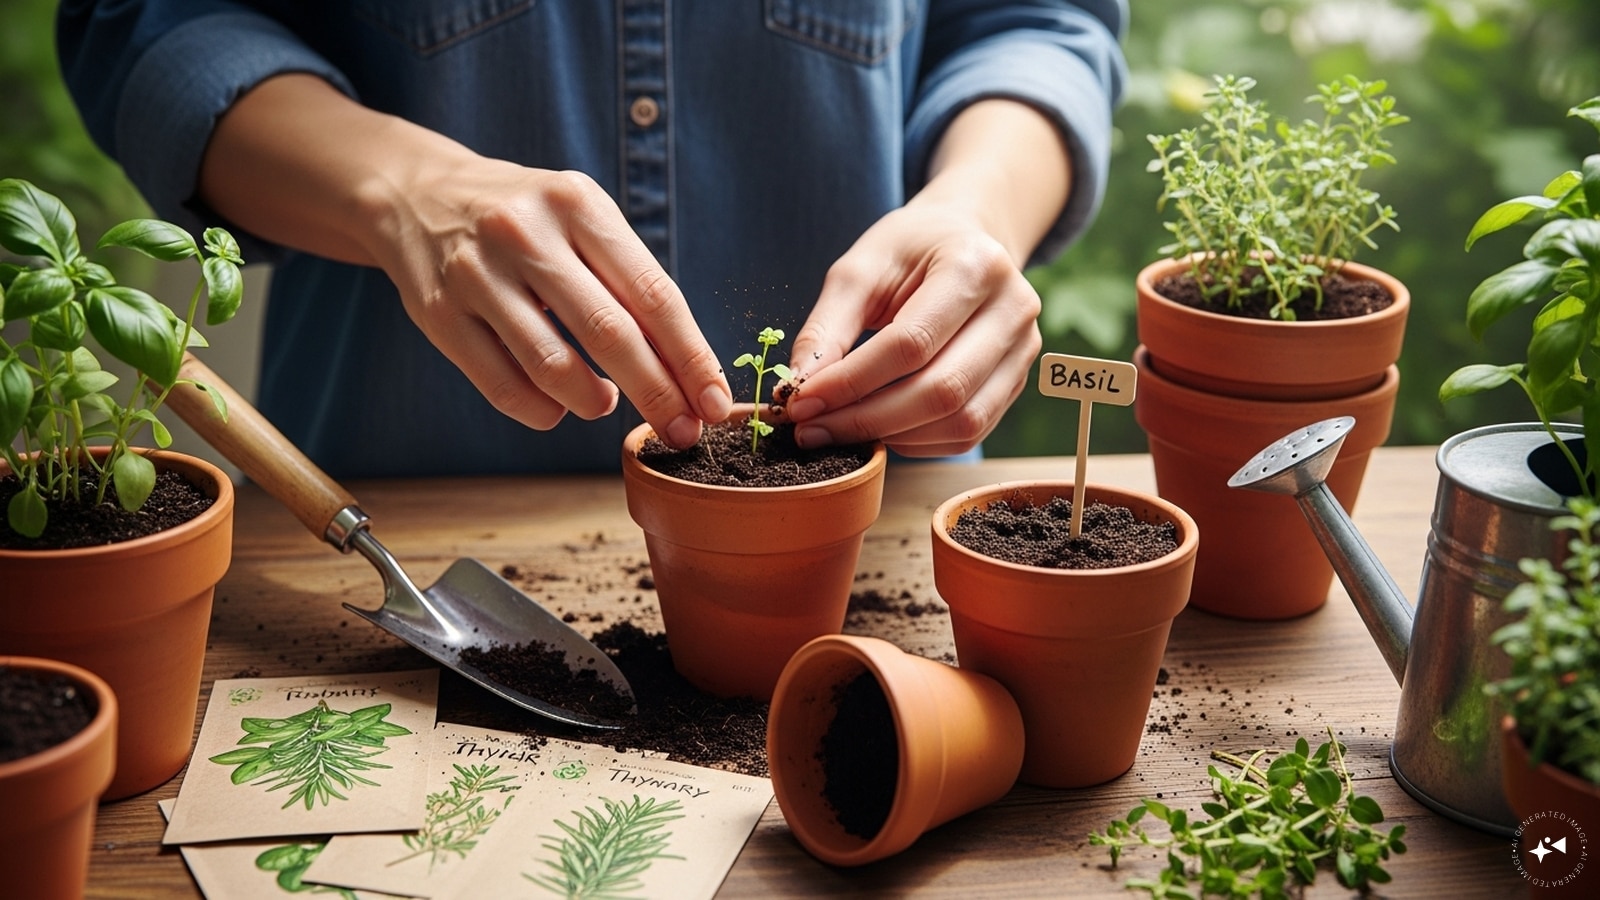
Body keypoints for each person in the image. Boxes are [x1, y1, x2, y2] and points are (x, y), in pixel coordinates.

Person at [57, 1, 1127, 477]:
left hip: (881, 524)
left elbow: (1036, 22)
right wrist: (396, 187)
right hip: (399, 501)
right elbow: (146, 19)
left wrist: (979, 206)